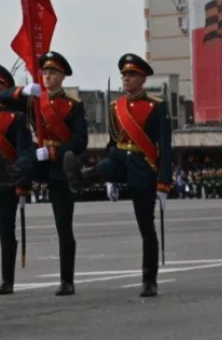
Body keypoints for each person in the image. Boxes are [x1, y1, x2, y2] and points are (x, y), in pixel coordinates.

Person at [63, 53, 172, 297]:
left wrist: (164, 182)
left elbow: (165, 145)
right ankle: (82, 177)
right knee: (104, 166)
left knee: (146, 227)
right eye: (124, 75)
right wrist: (110, 176)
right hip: (119, 159)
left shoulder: (157, 106)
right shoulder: (115, 107)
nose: (126, 78)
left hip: (143, 166)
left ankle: (149, 280)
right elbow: (113, 142)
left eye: (131, 75)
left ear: (142, 78)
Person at [0, 50, 87, 296]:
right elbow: (1, 97)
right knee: (15, 169)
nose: (47, 76)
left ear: (63, 76)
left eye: (52, 72)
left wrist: (55, 153)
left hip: (59, 165)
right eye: (45, 72)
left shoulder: (73, 106)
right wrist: (22, 91)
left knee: (63, 223)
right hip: (37, 160)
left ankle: (67, 281)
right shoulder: (34, 98)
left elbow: (80, 142)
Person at [0, 64, 33, 295]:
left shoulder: (17, 118)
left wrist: (22, 183)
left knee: (5, 231)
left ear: (6, 89)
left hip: (5, 181)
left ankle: (7, 279)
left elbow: (24, 154)